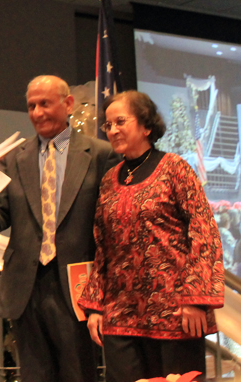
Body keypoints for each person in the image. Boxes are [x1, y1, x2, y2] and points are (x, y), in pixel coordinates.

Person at [0, 75, 119, 382]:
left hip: (78, 285)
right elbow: (1, 210)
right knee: (34, 374)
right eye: (31, 106)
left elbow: (111, 220)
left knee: (78, 373)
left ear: (68, 104)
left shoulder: (100, 154)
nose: (37, 113)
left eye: (45, 104)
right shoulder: (15, 157)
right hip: (25, 285)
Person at [78, 90, 224, 382]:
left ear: (146, 126)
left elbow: (204, 232)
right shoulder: (109, 179)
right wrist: (94, 306)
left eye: (120, 121)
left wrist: (196, 299)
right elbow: (102, 246)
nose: (113, 130)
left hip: (176, 313)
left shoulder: (175, 168)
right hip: (120, 316)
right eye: (108, 125)